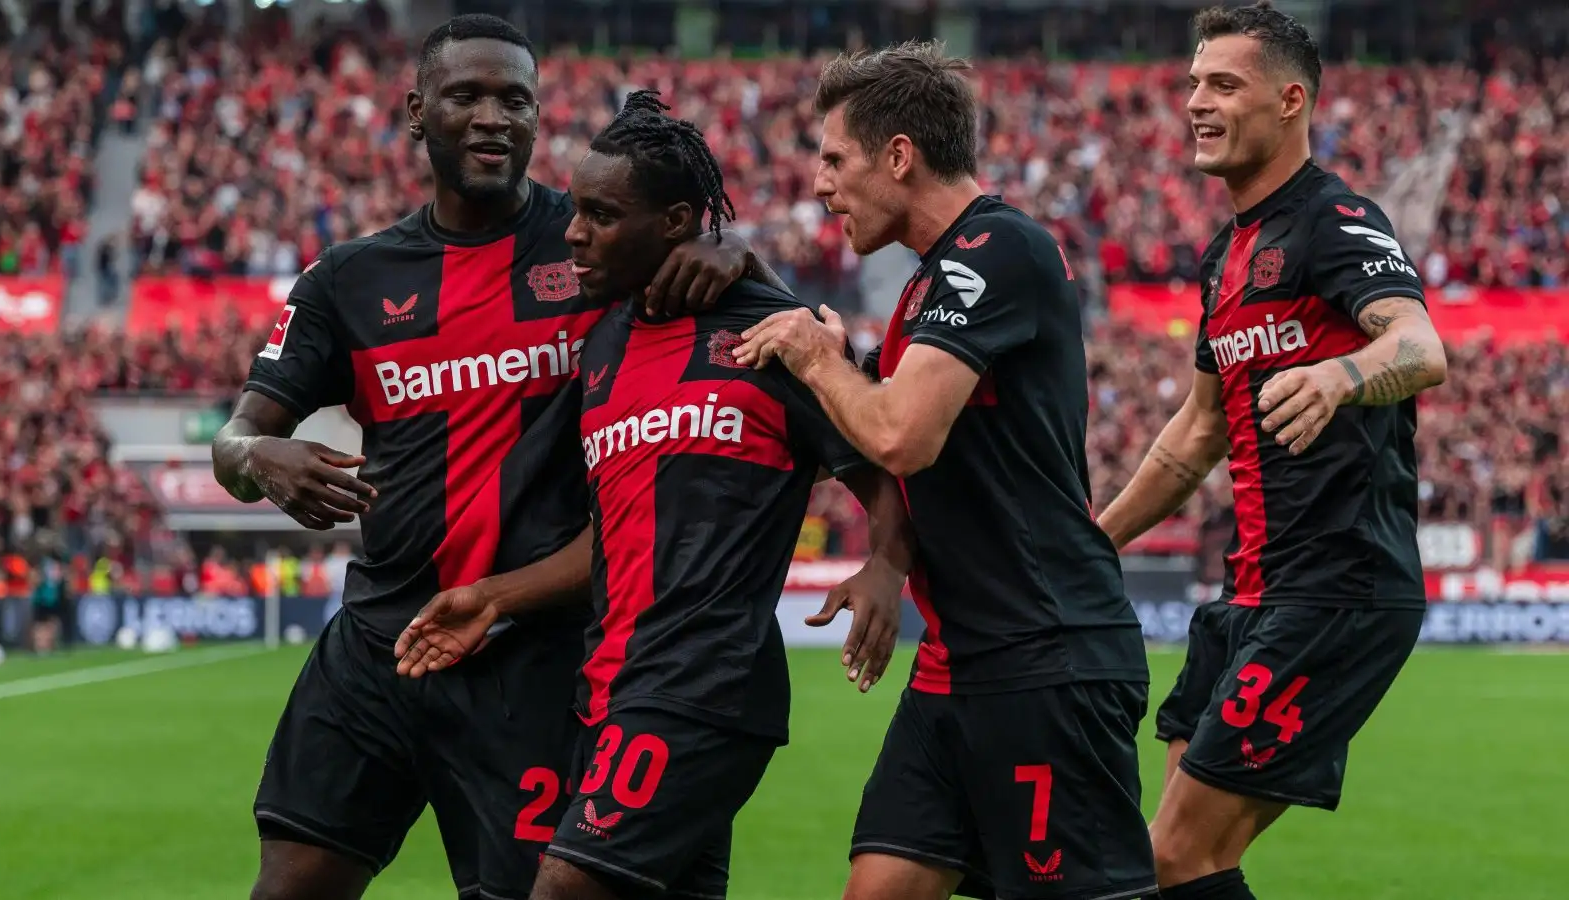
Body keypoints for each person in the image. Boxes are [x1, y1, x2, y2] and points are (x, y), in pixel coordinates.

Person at [211, 16, 782, 900]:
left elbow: (734, 295)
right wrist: (262, 458)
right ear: (414, 113)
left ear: (538, 118)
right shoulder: (347, 280)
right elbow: (234, 440)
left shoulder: (596, 242)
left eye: (515, 100)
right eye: (467, 96)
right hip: (379, 643)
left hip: (532, 655)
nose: (492, 118)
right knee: (288, 885)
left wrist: (730, 251)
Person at [396, 90, 914, 900]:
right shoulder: (600, 344)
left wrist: (886, 565)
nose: (574, 233)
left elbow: (880, 459)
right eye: (576, 211)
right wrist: (492, 597)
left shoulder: (771, 335)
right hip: (605, 689)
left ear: (676, 223)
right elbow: (610, 537)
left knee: (563, 888)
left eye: (601, 216)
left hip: (702, 686)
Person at [734, 41, 1156, 900]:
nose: (820, 185)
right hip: (958, 663)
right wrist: (889, 562)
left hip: (1047, 657)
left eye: (834, 159)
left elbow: (902, 436)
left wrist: (818, 358)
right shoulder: (929, 286)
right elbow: (932, 456)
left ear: (899, 156)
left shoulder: (996, 250)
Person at [1093, 5, 1448, 899]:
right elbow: (1197, 431)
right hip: (1248, 591)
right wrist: (1095, 539)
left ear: (1290, 100)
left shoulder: (1337, 220)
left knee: (1175, 853)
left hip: (1338, 585)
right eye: (1192, 85)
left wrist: (1341, 377)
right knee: (1172, 863)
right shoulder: (1225, 256)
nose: (1196, 104)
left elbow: (1419, 346)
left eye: (1223, 84)